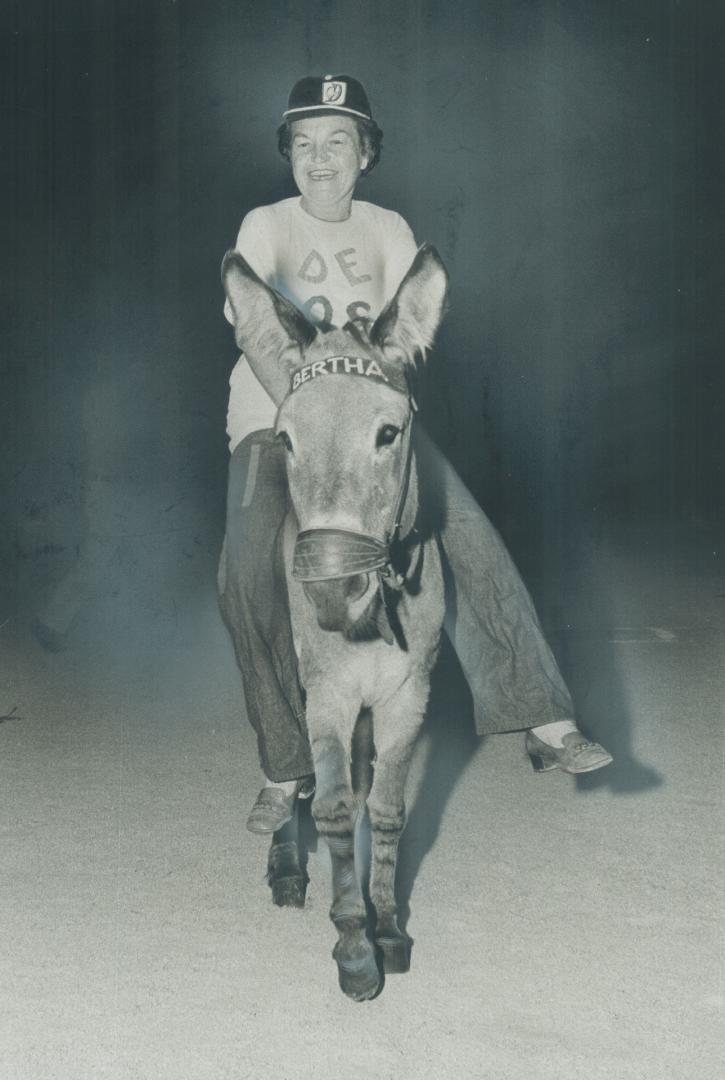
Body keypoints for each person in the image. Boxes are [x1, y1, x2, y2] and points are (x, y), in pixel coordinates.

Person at [220, 74, 612, 834]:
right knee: (240, 573)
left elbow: (406, 340)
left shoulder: (389, 228)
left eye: (338, 141)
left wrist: (376, 412)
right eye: (303, 144)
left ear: (365, 153)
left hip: (373, 426)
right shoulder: (265, 224)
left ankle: (543, 715)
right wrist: (306, 404)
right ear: (288, 158)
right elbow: (256, 332)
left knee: (464, 532)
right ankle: (284, 765)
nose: (320, 157)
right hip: (278, 420)